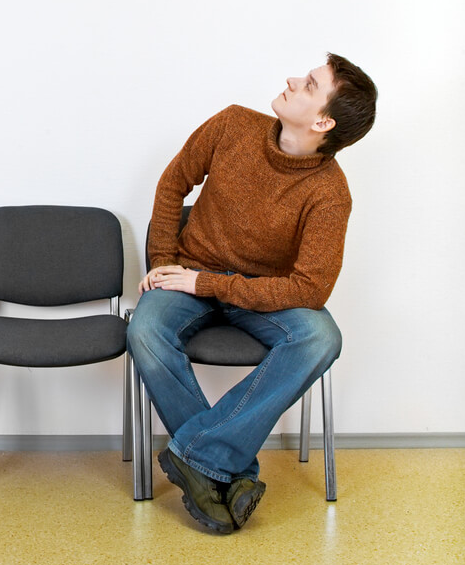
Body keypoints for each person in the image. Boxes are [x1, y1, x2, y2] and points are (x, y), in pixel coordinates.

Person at [126, 53, 377, 534]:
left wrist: (211, 284)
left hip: (261, 293)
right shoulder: (232, 125)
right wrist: (162, 262)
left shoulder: (329, 192)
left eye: (307, 85)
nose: (291, 80)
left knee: (321, 337)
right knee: (146, 329)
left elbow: (310, 287)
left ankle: (197, 457)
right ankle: (228, 472)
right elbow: (173, 183)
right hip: (189, 274)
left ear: (323, 121)